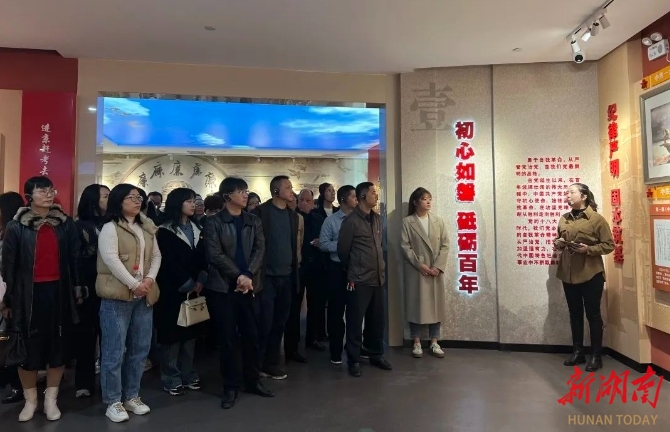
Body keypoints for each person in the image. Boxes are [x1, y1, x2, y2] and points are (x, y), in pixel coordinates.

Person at [1, 176, 84, 422]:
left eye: (51, 190)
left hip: (58, 291)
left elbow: (75, 258)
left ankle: (51, 399)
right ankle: (30, 401)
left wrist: (77, 288)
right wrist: (9, 300)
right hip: (27, 295)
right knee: (28, 348)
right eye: (42, 191)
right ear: (29, 196)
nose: (48, 194)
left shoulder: (65, 224)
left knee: (58, 345)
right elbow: (8, 266)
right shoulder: (17, 226)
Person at [204, 177, 274, 409]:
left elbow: (260, 249)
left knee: (252, 336)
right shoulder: (213, 222)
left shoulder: (253, 220)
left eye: (246, 191)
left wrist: (249, 274)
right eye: (240, 191)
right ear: (227, 197)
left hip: (251, 286)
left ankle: (253, 380)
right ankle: (230, 386)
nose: (245, 195)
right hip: (224, 288)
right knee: (227, 339)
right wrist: (239, 276)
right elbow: (215, 254)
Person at [97, 184, 161, 422]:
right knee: (114, 352)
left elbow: (156, 256)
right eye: (131, 197)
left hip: (144, 295)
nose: (137, 200)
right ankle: (112, 400)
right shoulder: (110, 227)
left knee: (140, 349)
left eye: (139, 197)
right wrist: (134, 284)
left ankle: (132, 395)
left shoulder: (146, 226)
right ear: (118, 201)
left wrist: (149, 279)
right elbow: (111, 260)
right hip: (118, 296)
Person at [554, 183, 614, 372]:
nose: (567, 195)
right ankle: (578, 352)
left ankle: (596, 356)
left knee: (593, 315)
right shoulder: (564, 218)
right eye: (566, 192)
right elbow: (558, 239)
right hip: (568, 273)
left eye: (571, 192)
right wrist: (559, 243)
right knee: (575, 313)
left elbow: (609, 245)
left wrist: (588, 249)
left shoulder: (596, 219)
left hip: (591, 274)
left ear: (584, 196)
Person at [154, 188, 208, 396]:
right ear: (177, 203)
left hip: (195, 290)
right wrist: (186, 282)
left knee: (191, 334)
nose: (193, 204)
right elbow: (167, 262)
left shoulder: (197, 228)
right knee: (172, 336)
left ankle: (189, 373)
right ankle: (171, 377)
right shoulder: (164, 231)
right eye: (188, 201)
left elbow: (203, 257)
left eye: (194, 201)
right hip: (172, 290)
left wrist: (201, 278)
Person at [338, 182, 391, 377]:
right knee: (355, 321)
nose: (376, 196)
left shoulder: (376, 218)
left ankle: (375, 353)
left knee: (377, 320)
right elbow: (343, 251)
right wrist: (354, 269)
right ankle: (353, 359)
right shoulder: (351, 221)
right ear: (362, 197)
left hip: (378, 278)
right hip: (359, 279)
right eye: (373, 193)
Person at [252, 175, 300, 380]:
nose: (292, 191)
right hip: (266, 277)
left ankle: (271, 363)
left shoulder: (293, 215)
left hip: (287, 276)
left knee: (280, 322)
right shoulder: (260, 213)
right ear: (276, 191)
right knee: (264, 322)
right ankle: (256, 364)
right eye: (288, 187)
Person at [400, 188, 448, 359]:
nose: (428, 202)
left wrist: (438, 266)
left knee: (436, 306)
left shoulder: (438, 221)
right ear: (415, 202)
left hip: (434, 270)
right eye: (424, 199)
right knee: (416, 305)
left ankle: (435, 341)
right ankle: (416, 341)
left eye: (429, 199)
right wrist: (419, 265)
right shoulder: (408, 222)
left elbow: (445, 245)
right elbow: (405, 246)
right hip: (417, 270)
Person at [73, 184, 110, 398]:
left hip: (111, 286)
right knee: (86, 336)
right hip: (88, 287)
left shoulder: (114, 223)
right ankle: (83, 383)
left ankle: (109, 383)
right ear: (93, 200)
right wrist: (78, 287)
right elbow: (75, 259)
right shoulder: (78, 226)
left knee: (110, 338)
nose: (109, 199)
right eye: (105, 196)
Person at [319, 185, 357, 364]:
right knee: (336, 311)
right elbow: (323, 244)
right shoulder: (331, 221)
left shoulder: (360, 219)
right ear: (343, 200)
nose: (357, 200)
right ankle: (335, 351)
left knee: (355, 312)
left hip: (357, 270)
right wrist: (343, 245)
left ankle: (354, 349)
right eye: (353, 196)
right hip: (337, 270)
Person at [290, 189, 326, 357]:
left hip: (315, 266)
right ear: (297, 201)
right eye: (302, 200)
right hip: (297, 267)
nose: (305, 203)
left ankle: (312, 338)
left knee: (316, 305)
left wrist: (321, 242)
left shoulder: (319, 219)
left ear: (313, 202)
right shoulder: (292, 218)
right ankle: (293, 342)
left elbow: (326, 238)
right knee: (295, 306)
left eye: (308, 200)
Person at [0, 192, 26, 405]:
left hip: (9, 295)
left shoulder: (13, 231)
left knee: (12, 342)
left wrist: (6, 301)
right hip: (9, 294)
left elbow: (8, 271)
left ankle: (16, 385)